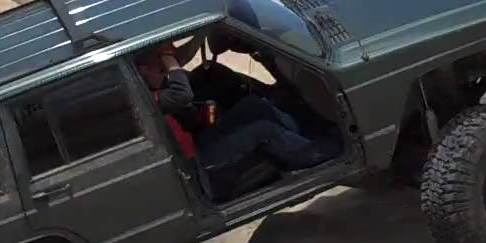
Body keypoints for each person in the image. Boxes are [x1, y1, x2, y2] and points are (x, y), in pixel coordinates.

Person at [135, 45, 337, 172]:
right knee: (264, 130)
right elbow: (182, 94)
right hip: (196, 162)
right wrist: (169, 58)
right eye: (161, 69)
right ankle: (308, 154)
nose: (166, 73)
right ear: (143, 70)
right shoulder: (148, 99)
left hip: (199, 141)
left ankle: (303, 138)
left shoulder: (149, 90)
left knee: (253, 106)